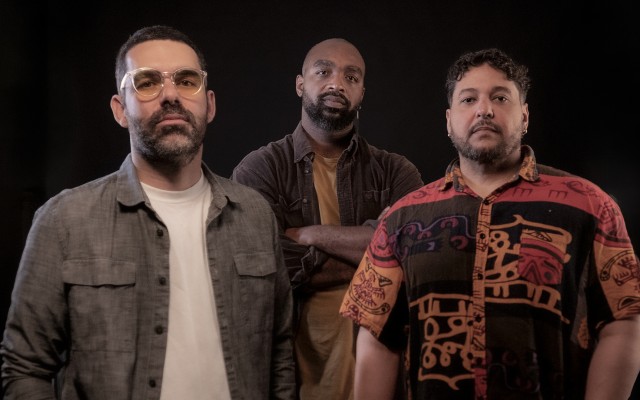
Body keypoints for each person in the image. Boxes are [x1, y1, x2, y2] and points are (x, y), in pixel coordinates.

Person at [0, 25, 295, 400]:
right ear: (120, 109)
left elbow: (280, 352)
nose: (170, 95)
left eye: (186, 81)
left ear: (210, 104)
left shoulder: (254, 215)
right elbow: (25, 368)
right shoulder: (63, 221)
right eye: (147, 82)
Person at [340, 47, 640, 399]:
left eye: (500, 97)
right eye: (469, 99)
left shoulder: (589, 205)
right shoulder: (402, 220)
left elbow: (624, 319)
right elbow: (378, 336)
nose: (484, 109)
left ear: (524, 116)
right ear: (449, 120)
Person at [231, 38, 423, 399]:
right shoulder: (260, 170)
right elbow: (266, 271)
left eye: (351, 77)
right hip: (288, 381)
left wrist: (307, 235)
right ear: (300, 84)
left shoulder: (397, 172)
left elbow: (414, 258)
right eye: (323, 72)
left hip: (379, 382)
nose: (337, 83)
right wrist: (376, 252)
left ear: (362, 92)